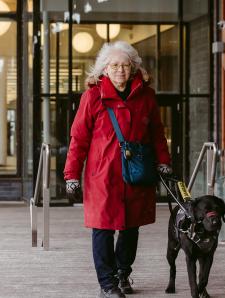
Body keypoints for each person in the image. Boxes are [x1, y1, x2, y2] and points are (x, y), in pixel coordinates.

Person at [64, 41, 172, 298]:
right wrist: (71, 176)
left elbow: (157, 133)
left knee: (130, 226)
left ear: (133, 68)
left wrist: (164, 161)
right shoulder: (93, 96)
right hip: (103, 175)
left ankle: (123, 273)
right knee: (102, 227)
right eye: (114, 65)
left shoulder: (146, 96)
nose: (120, 70)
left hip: (135, 172)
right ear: (104, 68)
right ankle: (107, 284)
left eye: (125, 65)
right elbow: (78, 140)